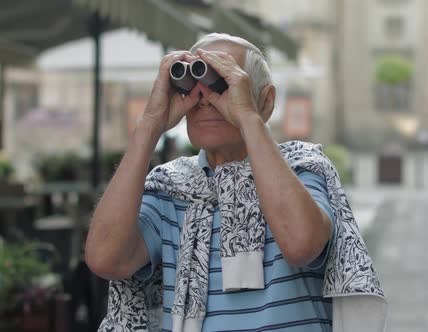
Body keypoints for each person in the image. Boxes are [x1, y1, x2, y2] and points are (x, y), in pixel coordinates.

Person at [85, 33, 386, 332]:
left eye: (223, 84)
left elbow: (301, 245)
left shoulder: (302, 168)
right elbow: (105, 259)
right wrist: (149, 124)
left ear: (266, 101)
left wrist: (247, 117)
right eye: (194, 87)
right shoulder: (170, 187)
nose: (206, 100)